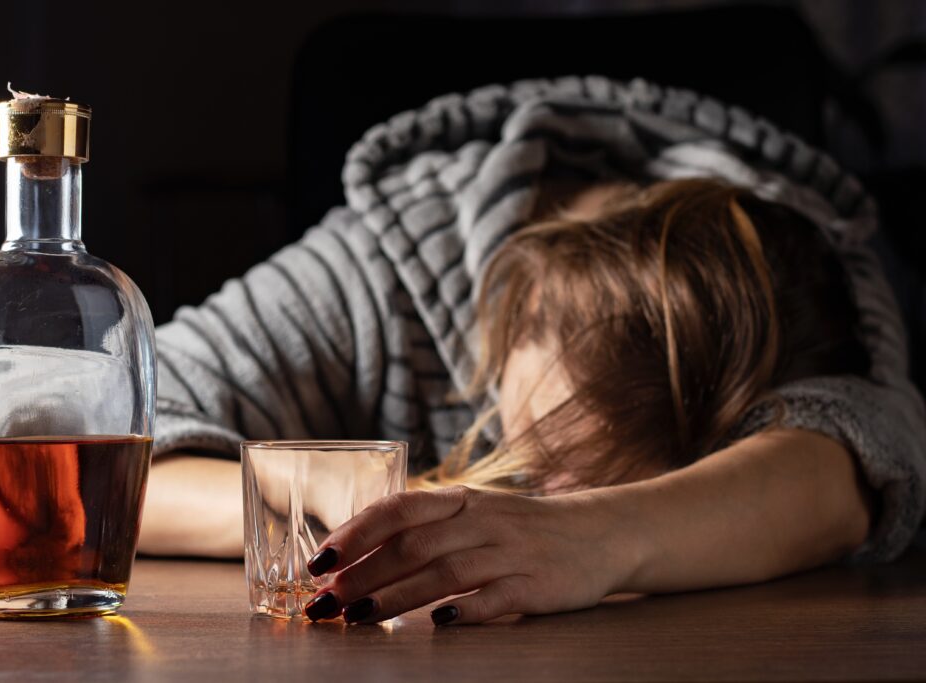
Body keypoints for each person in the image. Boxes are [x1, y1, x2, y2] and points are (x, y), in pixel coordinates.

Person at [138, 76, 926, 626]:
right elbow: (77, 434)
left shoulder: (818, 282)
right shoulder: (383, 259)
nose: (530, 500)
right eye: (535, 461)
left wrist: (591, 536)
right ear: (523, 295)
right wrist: (338, 500)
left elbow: (859, 466)